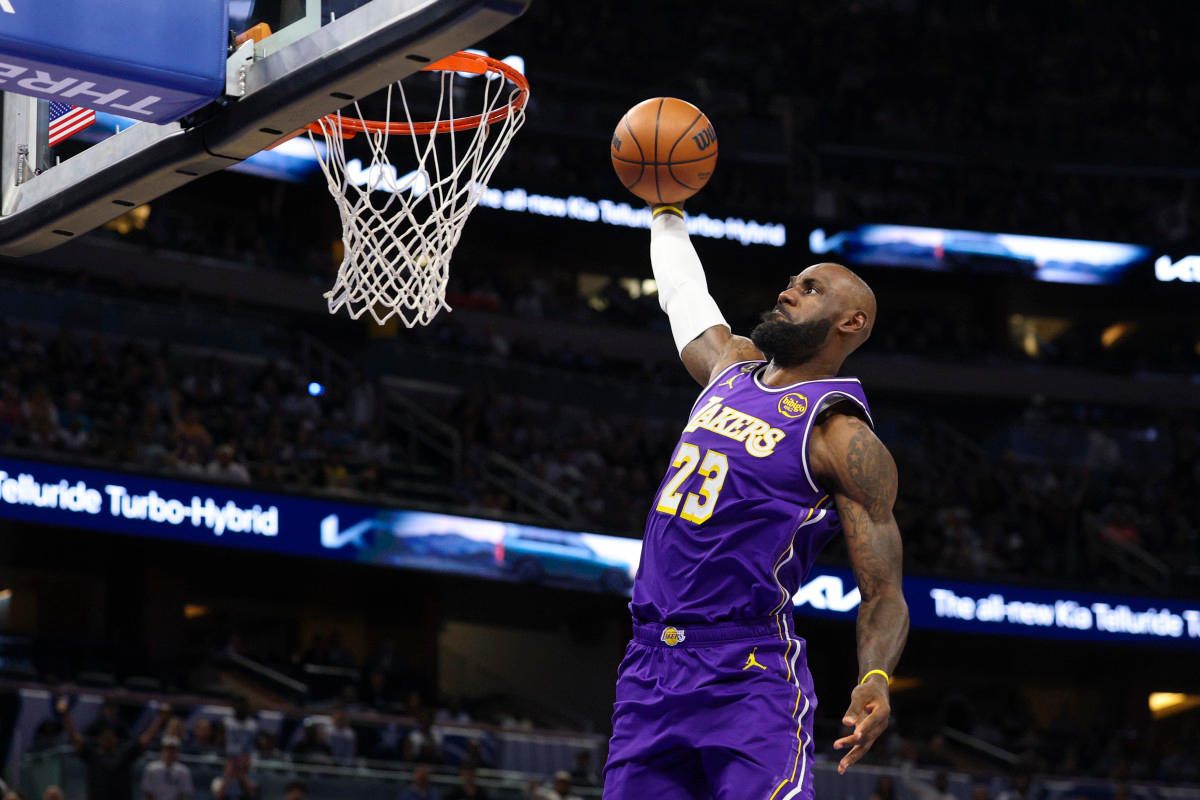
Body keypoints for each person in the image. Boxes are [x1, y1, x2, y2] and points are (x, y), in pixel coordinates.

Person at [602, 203, 910, 800]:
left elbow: (884, 590)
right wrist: (666, 211)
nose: (788, 291)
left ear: (851, 323)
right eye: (793, 281)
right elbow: (683, 291)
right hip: (648, 665)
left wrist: (876, 677)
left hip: (746, 672)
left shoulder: (841, 437)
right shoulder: (729, 367)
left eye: (810, 287)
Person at [60, 695, 172, 800]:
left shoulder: (124, 754)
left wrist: (161, 717)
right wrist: (65, 713)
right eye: (105, 737)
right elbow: (74, 737)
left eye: (110, 737)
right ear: (99, 740)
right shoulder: (92, 755)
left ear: (115, 740)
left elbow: (146, 739)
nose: (107, 739)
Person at [142, 735, 194, 800]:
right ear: (162, 750)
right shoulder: (151, 768)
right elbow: (149, 794)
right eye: (167, 749)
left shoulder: (183, 771)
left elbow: (182, 795)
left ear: (177, 752)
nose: (170, 753)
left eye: (173, 750)